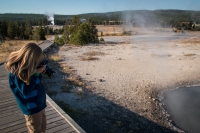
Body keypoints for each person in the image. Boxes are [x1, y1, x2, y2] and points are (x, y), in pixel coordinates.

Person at [4, 43, 47, 133]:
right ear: (30, 59)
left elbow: (36, 83)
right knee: (35, 129)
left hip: (39, 104)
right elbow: (26, 90)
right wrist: (36, 74)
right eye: (37, 61)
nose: (38, 63)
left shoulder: (29, 68)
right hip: (32, 108)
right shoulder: (16, 72)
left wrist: (38, 72)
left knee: (43, 126)